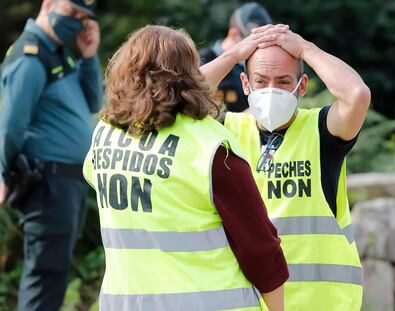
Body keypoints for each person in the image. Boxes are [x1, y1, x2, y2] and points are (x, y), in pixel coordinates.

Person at [83, 25, 290, 310]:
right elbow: (260, 250)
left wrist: (231, 54)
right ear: (191, 75)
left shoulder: (105, 134)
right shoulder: (211, 147)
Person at [202, 24, 370, 310]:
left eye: (282, 82)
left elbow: (357, 95)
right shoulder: (227, 132)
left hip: (322, 303)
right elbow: (176, 102)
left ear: (301, 86)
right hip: (251, 303)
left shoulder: (322, 131)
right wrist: (233, 55)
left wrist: (306, 48)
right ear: (245, 84)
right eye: (260, 80)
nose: (270, 91)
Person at [0, 0, 103, 310]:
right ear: (48, 5)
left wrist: (88, 56)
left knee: (54, 274)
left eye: (83, 17)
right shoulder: (32, 56)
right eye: (72, 13)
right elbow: (11, 125)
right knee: (45, 275)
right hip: (47, 181)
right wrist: (3, 173)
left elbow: (92, 101)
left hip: (65, 182)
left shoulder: (59, 53)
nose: (77, 22)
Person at [199, 2, 272, 113]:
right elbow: (189, 88)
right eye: (251, 42)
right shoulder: (204, 59)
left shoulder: (248, 67)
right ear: (233, 34)